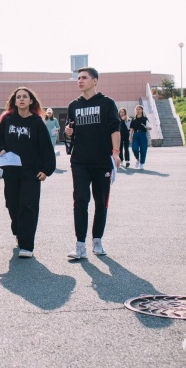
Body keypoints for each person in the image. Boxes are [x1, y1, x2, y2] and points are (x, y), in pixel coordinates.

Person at [0, 87, 56, 258]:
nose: (21, 99)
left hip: (31, 173)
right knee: (12, 205)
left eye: (25, 97)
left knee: (28, 206)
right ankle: (19, 232)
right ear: (14, 101)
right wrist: (1, 150)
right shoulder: (7, 120)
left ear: (31, 101)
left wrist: (46, 170)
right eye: (18, 97)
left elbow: (46, 148)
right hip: (11, 172)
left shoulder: (37, 123)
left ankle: (27, 245)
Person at [64, 67, 120, 259]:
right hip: (79, 161)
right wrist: (68, 132)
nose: (80, 81)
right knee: (80, 200)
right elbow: (70, 131)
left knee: (101, 202)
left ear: (95, 81)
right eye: (78, 78)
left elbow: (115, 129)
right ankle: (80, 246)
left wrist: (115, 153)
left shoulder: (107, 103)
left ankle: (97, 240)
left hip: (102, 161)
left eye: (84, 78)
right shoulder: (73, 105)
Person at [129, 105, 150, 170]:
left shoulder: (145, 119)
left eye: (139, 109)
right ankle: (138, 159)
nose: (138, 110)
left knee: (143, 149)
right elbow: (131, 128)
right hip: (135, 134)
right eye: (137, 109)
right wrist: (130, 136)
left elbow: (149, 127)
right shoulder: (134, 119)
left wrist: (148, 127)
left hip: (143, 134)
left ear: (142, 110)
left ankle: (141, 163)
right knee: (134, 148)